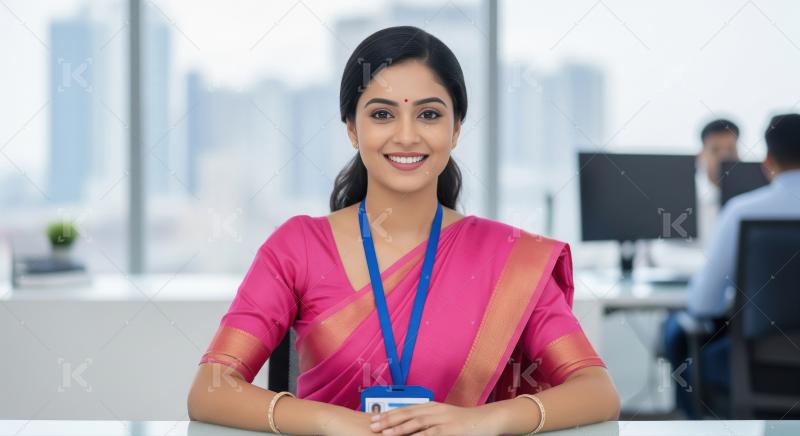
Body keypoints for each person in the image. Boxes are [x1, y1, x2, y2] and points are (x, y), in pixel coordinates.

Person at [188, 26, 619, 435]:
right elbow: (211, 388)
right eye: (382, 114)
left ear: (455, 130)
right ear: (353, 130)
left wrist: (483, 421)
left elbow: (596, 391)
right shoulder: (297, 247)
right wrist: (330, 422)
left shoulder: (509, 256)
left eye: (429, 114)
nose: (407, 135)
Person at [663, 113, 800, 418]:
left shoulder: (741, 212)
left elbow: (703, 304)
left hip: (761, 370)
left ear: (767, 162)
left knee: (683, 338)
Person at [695, 119, 740, 247]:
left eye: (731, 150)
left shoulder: (751, 202)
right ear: (701, 156)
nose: (724, 157)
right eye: (715, 150)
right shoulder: (691, 206)